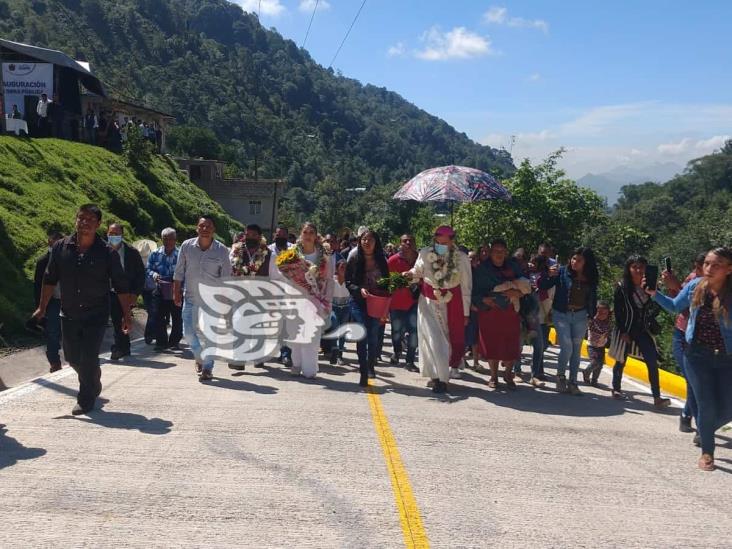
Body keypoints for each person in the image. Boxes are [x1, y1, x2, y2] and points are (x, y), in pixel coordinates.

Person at [33, 204, 134, 415]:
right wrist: (42, 307)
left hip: (96, 314)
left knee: (88, 357)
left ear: (97, 225)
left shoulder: (107, 252)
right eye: (81, 218)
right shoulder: (61, 247)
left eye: (90, 219)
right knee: (71, 357)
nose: (84, 222)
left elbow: (121, 286)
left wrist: (127, 314)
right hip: (68, 313)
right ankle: (93, 379)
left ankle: (85, 398)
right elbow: (50, 278)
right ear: (75, 220)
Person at [650, 247, 732, 472]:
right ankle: (707, 453)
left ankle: (705, 429)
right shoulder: (696, 286)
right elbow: (675, 306)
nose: (709, 268)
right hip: (696, 355)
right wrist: (654, 294)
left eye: (716, 265)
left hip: (727, 358)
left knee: (727, 408)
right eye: (707, 263)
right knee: (705, 403)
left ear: (728, 269)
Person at [406, 226, 472, 394]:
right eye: (438, 242)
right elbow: (418, 271)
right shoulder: (425, 253)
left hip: (452, 303)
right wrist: (410, 273)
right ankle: (438, 378)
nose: (440, 245)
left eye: (444, 243)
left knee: (446, 341)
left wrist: (465, 312)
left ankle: (443, 374)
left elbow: (466, 286)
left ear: (452, 241)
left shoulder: (462, 258)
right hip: (427, 302)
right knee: (431, 339)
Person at [272, 222, 334, 379]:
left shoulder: (324, 256)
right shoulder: (291, 253)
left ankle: (310, 369)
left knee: (312, 336)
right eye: (305, 232)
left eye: (311, 232)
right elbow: (282, 273)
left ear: (316, 236)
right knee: (296, 334)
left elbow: (328, 280)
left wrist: (327, 301)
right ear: (301, 234)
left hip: (315, 300)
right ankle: (297, 364)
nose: (308, 235)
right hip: (295, 298)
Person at [608, 255, 671, 408]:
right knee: (621, 360)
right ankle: (616, 388)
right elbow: (618, 310)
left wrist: (651, 315)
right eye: (634, 267)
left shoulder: (649, 286)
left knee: (652, 362)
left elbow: (658, 304)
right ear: (628, 269)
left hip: (643, 330)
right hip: (626, 328)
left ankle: (657, 397)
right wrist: (623, 331)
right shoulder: (622, 287)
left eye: (641, 267)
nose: (638, 270)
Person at [173, 215, 230, 381]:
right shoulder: (186, 246)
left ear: (214, 230)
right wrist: (176, 291)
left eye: (209, 226)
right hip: (190, 298)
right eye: (202, 226)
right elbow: (179, 271)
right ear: (197, 228)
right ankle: (199, 357)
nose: (205, 229)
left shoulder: (221, 250)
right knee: (188, 334)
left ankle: (207, 368)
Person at [540, 247, 600, 395]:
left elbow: (592, 297)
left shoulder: (591, 277)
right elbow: (542, 286)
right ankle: (560, 377)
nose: (575, 262)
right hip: (561, 314)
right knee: (567, 347)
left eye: (579, 260)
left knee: (576, 349)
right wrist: (548, 275)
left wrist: (592, 316)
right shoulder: (561, 272)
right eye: (573, 258)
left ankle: (573, 382)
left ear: (586, 263)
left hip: (580, 315)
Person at [472, 238, 530, 390]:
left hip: (510, 311)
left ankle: (508, 374)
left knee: (510, 343)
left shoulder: (513, 266)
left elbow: (525, 284)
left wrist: (517, 292)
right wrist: (483, 299)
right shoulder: (482, 268)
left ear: (506, 253)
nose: (499, 254)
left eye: (502, 251)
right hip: (490, 310)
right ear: (490, 252)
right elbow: (474, 290)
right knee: (492, 344)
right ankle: (493, 376)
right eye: (496, 251)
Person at [663, 253, 705, 432]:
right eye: (699, 267)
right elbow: (678, 304)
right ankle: (698, 425)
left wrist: (677, 285)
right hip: (683, 334)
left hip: (707, 341)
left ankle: (687, 415)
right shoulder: (693, 280)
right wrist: (673, 286)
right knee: (692, 379)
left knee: (699, 381)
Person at [346, 229, 390, 387]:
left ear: (376, 242)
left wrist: (385, 303)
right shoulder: (353, 256)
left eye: (370, 239)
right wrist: (359, 290)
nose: (367, 242)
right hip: (358, 301)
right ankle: (363, 371)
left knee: (373, 336)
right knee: (362, 333)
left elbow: (387, 283)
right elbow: (348, 282)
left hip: (376, 302)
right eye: (364, 239)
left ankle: (371, 365)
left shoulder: (382, 259)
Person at [228, 224, 271, 370]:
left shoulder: (269, 253)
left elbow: (274, 275)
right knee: (240, 324)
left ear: (259, 237)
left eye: (253, 235)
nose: (250, 238)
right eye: (248, 235)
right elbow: (229, 268)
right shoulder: (236, 250)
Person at [106, 223, 146, 360]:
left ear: (122, 235)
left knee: (120, 319)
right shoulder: (101, 250)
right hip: (104, 292)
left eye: (116, 233)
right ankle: (123, 347)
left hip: (124, 292)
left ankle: (119, 348)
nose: (113, 236)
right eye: (111, 233)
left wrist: (134, 293)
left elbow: (141, 274)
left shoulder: (131, 252)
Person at [33, 230, 64, 373]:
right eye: (54, 240)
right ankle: (54, 361)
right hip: (51, 302)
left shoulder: (68, 258)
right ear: (49, 242)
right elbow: (38, 285)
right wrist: (40, 307)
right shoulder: (42, 261)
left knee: (71, 330)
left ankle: (78, 356)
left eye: (60, 240)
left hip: (69, 300)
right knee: (52, 331)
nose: (57, 243)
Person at [147, 228, 182, 352]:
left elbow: (186, 271)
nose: (168, 241)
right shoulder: (155, 253)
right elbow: (148, 269)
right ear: (161, 239)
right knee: (157, 315)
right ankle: (161, 342)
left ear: (175, 239)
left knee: (177, 317)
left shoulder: (180, 255)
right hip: (159, 288)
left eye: (171, 239)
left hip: (176, 289)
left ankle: (174, 342)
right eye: (165, 239)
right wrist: (154, 274)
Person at [388, 234, 419, 372]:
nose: (407, 242)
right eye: (404, 241)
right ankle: (397, 351)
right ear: (399, 243)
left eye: (410, 240)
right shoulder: (393, 260)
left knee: (414, 332)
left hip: (415, 302)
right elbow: (386, 281)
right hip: (396, 303)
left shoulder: (421, 259)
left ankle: (410, 360)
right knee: (396, 332)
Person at [268, 225, 293, 367]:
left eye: (283, 235)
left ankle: (285, 354)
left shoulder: (294, 250)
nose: (280, 238)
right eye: (278, 235)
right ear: (274, 236)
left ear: (287, 237)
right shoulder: (268, 250)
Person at [327, 258, 351, 365]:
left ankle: (340, 354)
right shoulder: (332, 281)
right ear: (337, 268)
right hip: (334, 307)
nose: (344, 269)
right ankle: (334, 349)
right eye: (341, 267)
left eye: (346, 268)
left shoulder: (350, 281)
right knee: (335, 326)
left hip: (346, 308)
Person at [582, 301, 612, 386]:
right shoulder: (593, 320)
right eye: (600, 312)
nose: (602, 315)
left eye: (605, 313)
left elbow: (608, 331)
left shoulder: (608, 322)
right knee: (595, 361)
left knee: (600, 365)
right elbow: (587, 321)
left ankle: (594, 380)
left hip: (601, 346)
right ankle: (586, 372)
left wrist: (606, 335)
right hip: (592, 345)